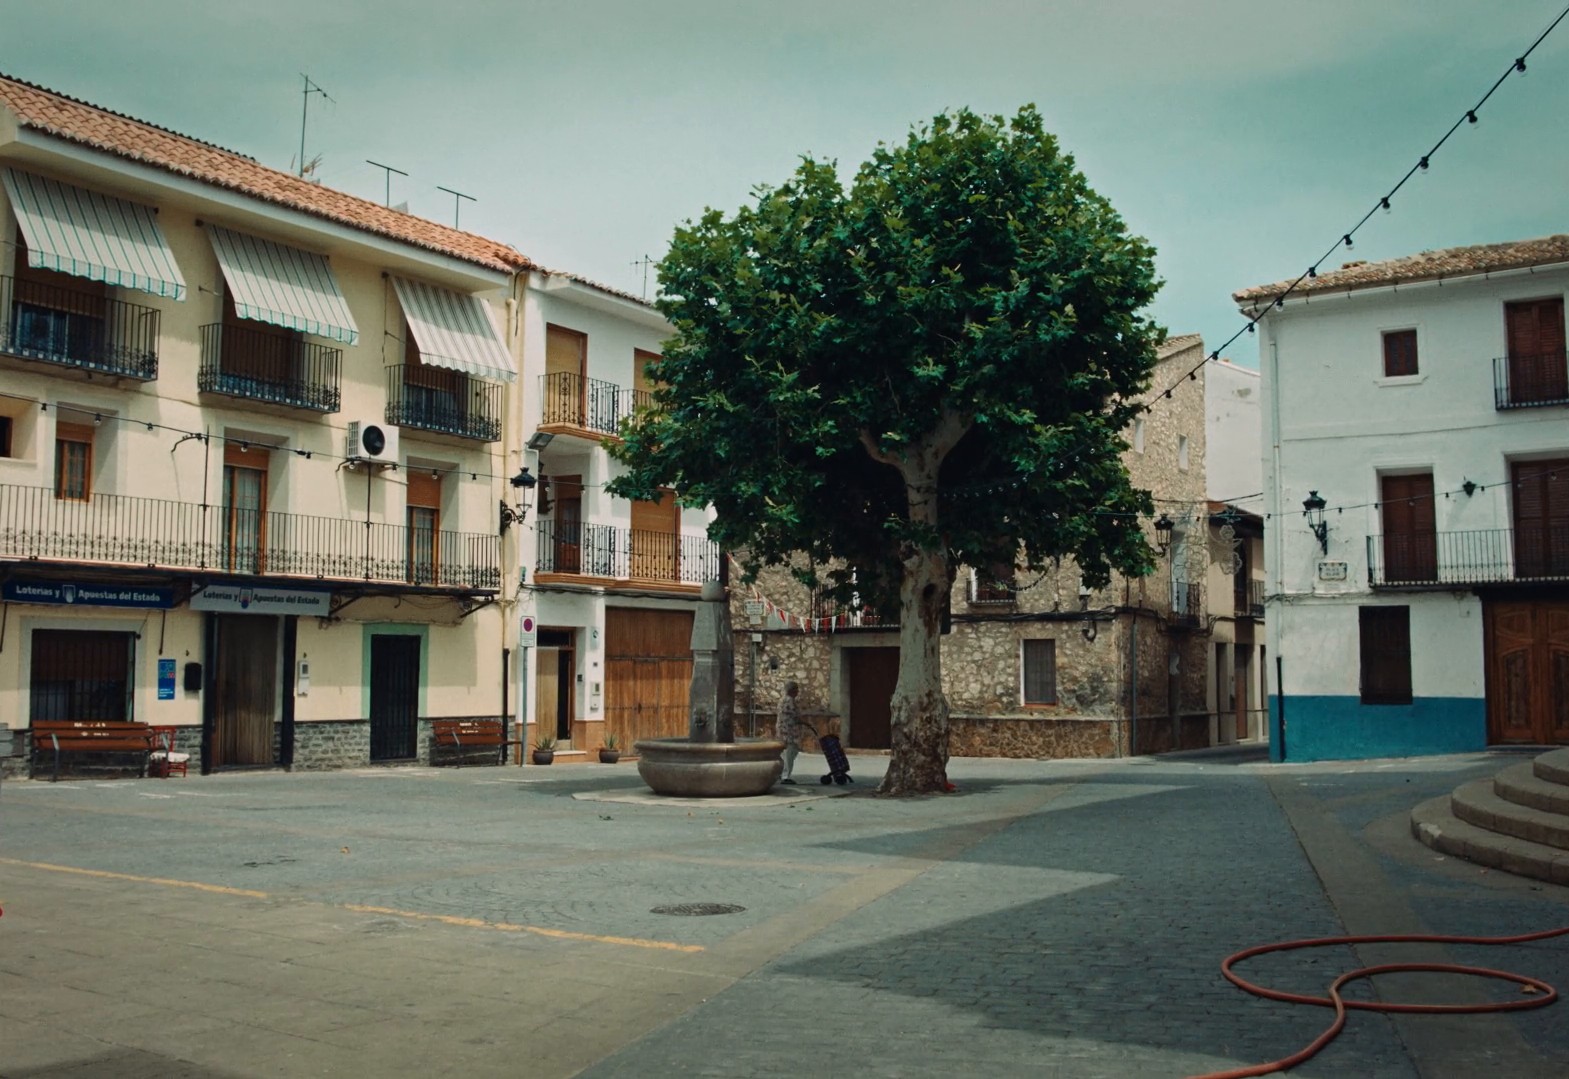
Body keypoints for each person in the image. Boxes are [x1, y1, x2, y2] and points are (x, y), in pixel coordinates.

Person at [777, 680, 801, 784]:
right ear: (792, 690)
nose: (798, 692)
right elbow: (794, 715)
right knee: (789, 753)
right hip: (788, 732)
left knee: (787, 753)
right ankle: (785, 776)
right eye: (796, 690)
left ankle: (782, 773)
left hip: (784, 731)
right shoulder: (789, 700)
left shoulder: (783, 700)